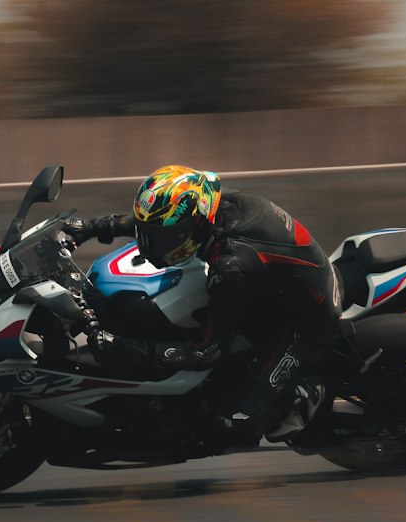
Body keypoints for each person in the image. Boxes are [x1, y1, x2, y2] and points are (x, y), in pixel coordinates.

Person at [66, 164, 342, 448]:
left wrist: (133, 349)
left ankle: (304, 394)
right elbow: (159, 223)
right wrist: (93, 226)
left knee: (230, 424)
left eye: (164, 239)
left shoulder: (231, 266)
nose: (153, 246)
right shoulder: (210, 206)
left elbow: (209, 352)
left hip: (307, 327)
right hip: (274, 293)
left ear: (195, 225)